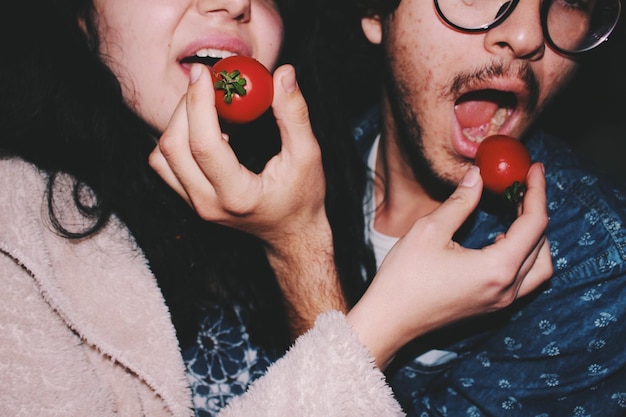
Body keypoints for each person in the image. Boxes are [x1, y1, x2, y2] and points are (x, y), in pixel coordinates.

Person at [0, 0, 553, 417]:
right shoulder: (15, 238)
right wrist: (383, 323)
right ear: (78, 13)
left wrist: (298, 240)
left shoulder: (312, 179)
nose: (236, 3)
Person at [285, 0, 626, 415]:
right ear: (376, 12)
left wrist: (294, 250)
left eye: (572, 0)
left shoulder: (600, 269)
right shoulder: (295, 168)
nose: (526, 36)